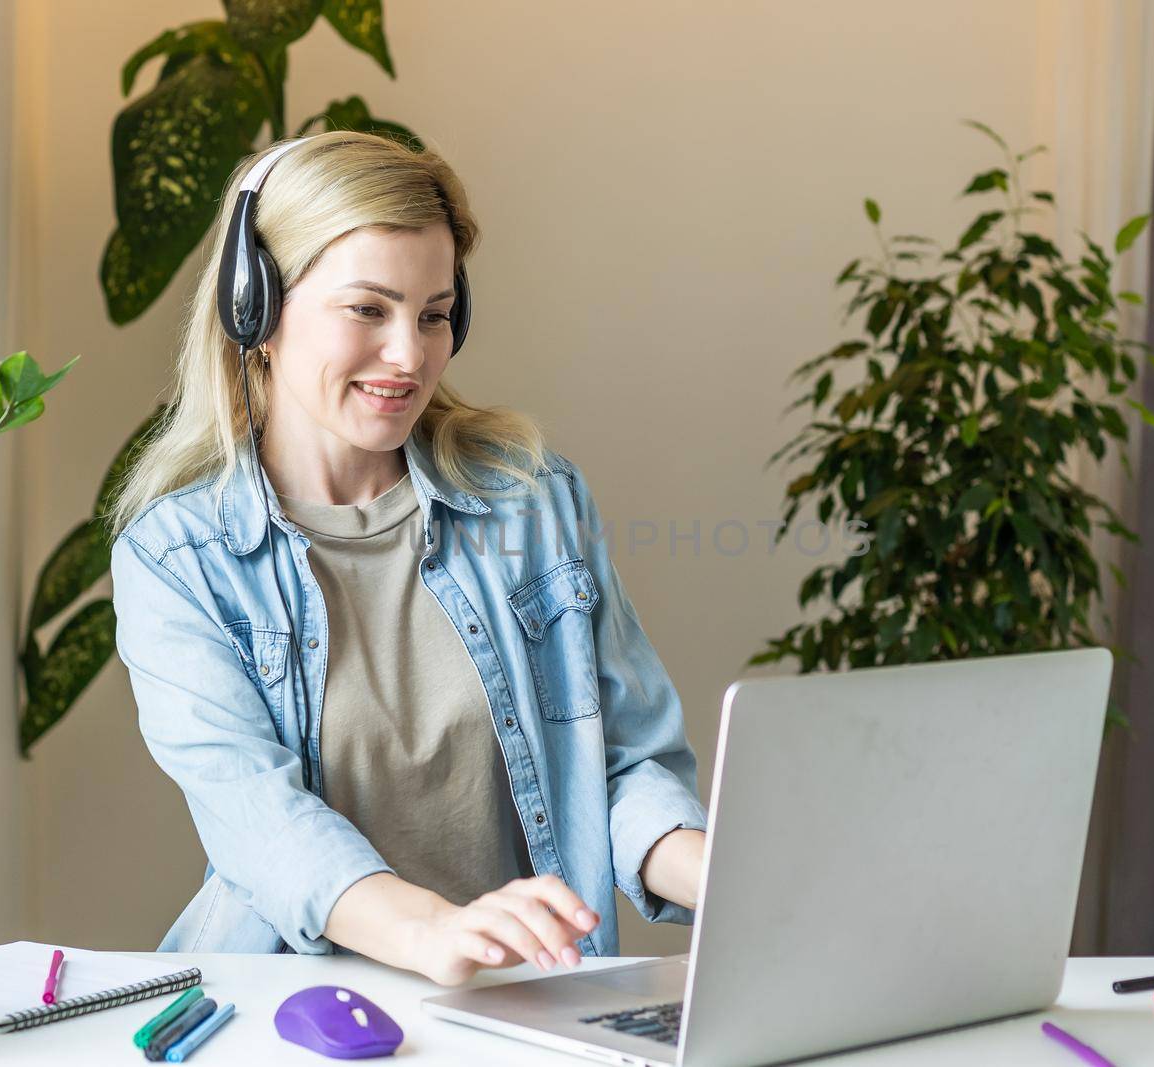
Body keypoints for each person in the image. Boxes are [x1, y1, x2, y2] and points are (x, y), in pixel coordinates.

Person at [106, 131, 708, 987]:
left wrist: (719, 875)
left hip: (522, 1007)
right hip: (290, 1010)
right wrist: (437, 931)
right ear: (258, 311)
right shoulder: (178, 558)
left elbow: (620, 764)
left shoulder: (533, 501)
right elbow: (257, 818)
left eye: (434, 314)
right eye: (368, 310)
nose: (410, 355)